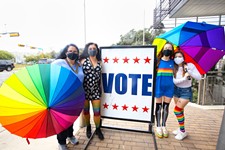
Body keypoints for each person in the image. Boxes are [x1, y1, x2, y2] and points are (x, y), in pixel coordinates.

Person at [52, 43, 84, 150]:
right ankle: (61, 142)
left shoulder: (79, 65)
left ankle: (70, 135)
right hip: (62, 97)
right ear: (66, 52)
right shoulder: (59, 63)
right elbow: (49, 74)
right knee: (61, 121)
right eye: (70, 51)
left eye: (75, 52)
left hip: (75, 97)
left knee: (71, 119)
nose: (72, 53)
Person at [172, 51, 201, 140]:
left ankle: (183, 132)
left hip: (186, 91)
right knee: (180, 111)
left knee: (177, 110)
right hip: (176, 90)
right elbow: (175, 81)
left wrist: (189, 71)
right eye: (176, 57)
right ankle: (180, 129)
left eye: (180, 56)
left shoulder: (190, 66)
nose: (178, 58)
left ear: (183, 57)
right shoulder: (173, 68)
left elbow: (199, 77)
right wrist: (184, 78)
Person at [79, 42, 104, 140]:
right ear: (87, 50)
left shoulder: (100, 62)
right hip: (84, 90)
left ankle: (98, 129)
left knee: (97, 112)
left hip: (96, 91)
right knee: (86, 111)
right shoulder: (83, 61)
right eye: (90, 48)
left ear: (97, 50)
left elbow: (100, 78)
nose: (92, 50)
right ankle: (88, 127)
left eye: (94, 48)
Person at [155, 42, 174, 138]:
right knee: (158, 107)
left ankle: (163, 125)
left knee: (166, 107)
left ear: (172, 51)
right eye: (166, 48)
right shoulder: (157, 61)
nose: (167, 50)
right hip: (158, 86)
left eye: (170, 48)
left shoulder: (174, 63)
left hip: (169, 88)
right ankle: (158, 126)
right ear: (163, 49)